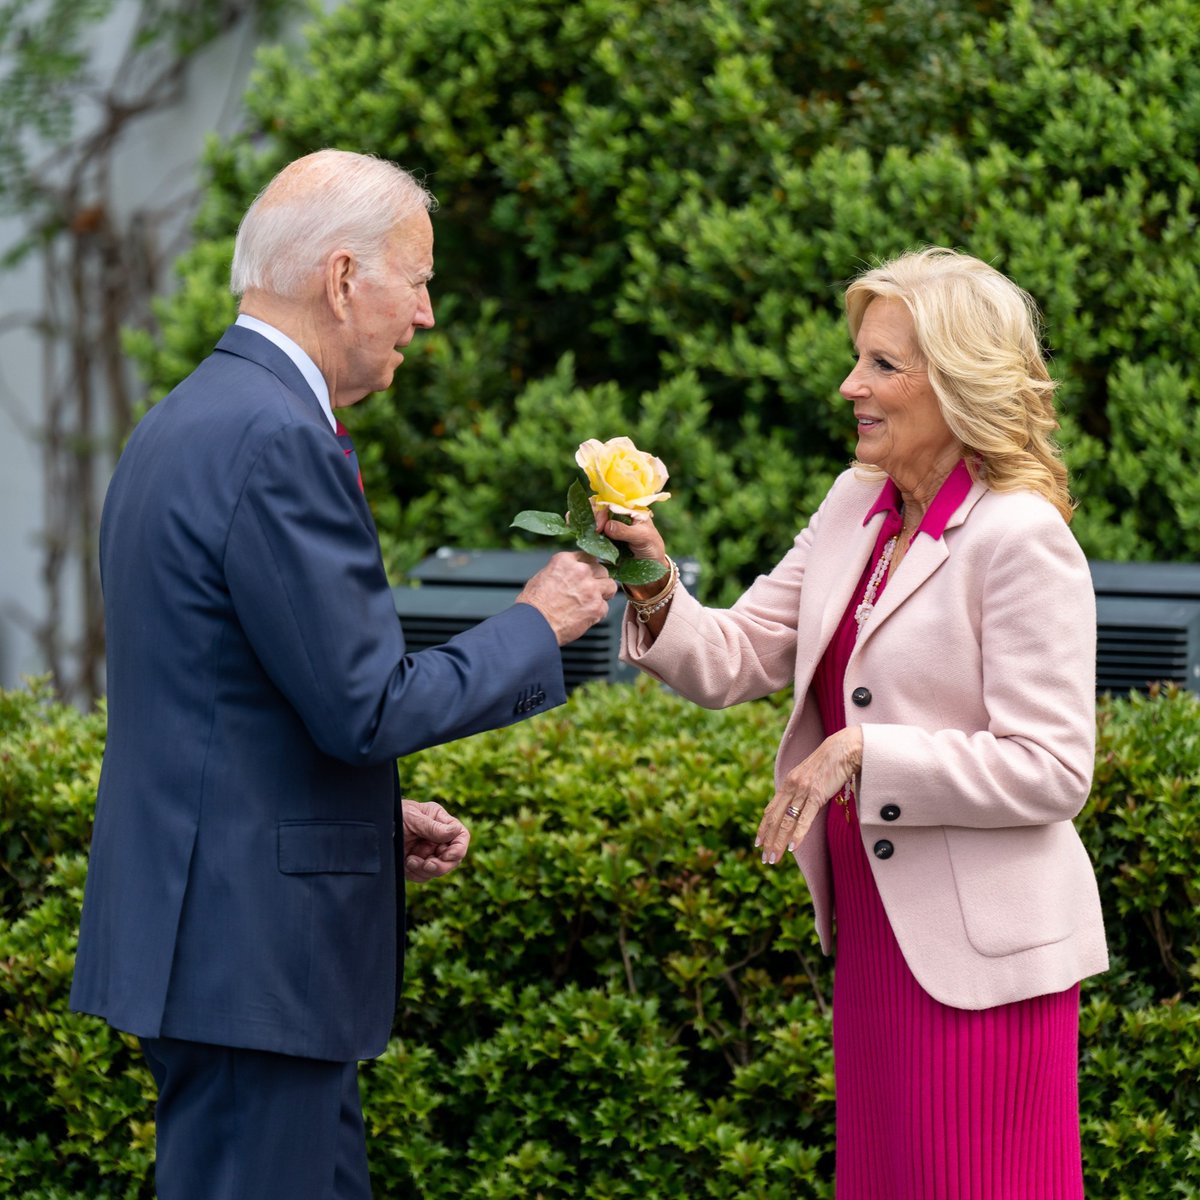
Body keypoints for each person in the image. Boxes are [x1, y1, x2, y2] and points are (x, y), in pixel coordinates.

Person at [69, 148, 617, 1200]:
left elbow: (229, 700)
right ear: (342, 277)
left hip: (222, 947)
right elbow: (366, 706)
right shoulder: (278, 437)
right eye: (417, 280)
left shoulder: (184, 419)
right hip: (253, 962)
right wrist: (537, 624)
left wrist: (370, 818)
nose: (424, 316)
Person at [603, 247, 1107, 1198]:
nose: (851, 386)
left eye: (883, 364)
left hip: (985, 972)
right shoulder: (854, 505)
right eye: (858, 359)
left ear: (954, 380)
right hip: (879, 940)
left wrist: (866, 750)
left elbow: (1051, 768)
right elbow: (736, 656)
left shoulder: (1020, 535)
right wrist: (649, 575)